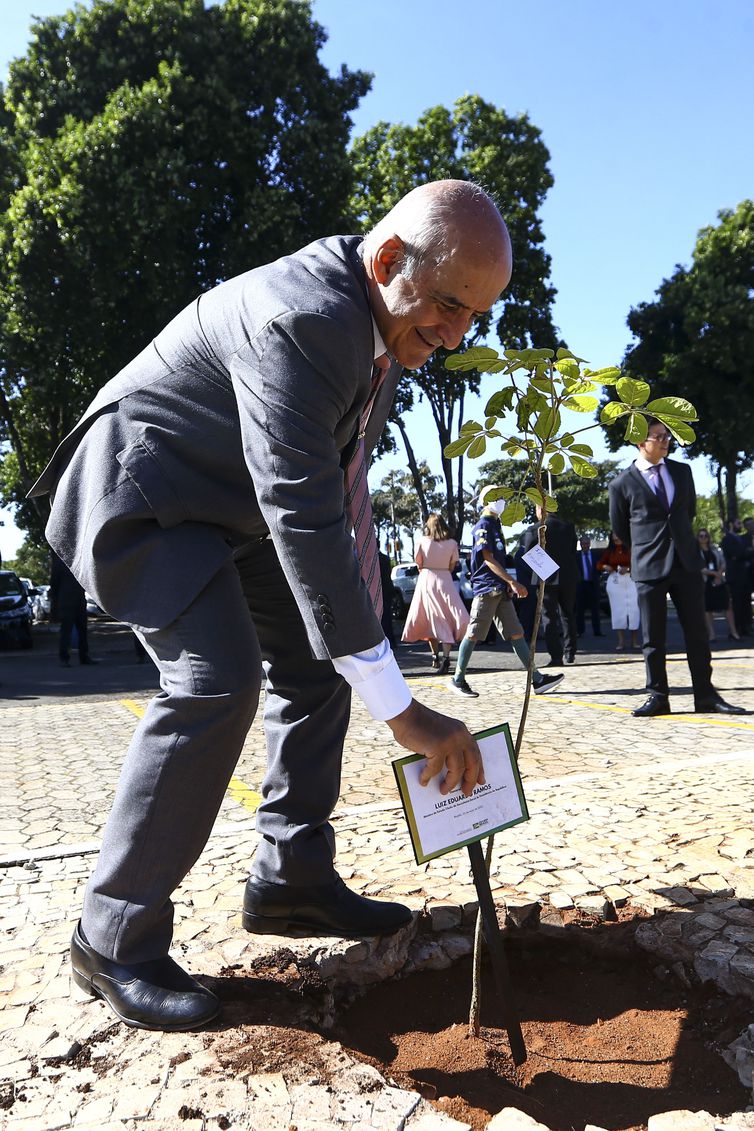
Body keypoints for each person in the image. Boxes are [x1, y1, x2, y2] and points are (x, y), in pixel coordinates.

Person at [29, 180, 512, 1032]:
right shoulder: (306, 319)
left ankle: (291, 878)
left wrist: (365, 646)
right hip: (146, 493)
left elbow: (346, 503)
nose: (453, 334)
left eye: (472, 317)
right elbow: (303, 511)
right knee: (215, 680)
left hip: (230, 511)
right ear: (390, 259)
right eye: (445, 305)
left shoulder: (381, 337)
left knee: (322, 659)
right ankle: (111, 937)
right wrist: (403, 710)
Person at [609, 418, 744, 718]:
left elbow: (689, 512)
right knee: (653, 638)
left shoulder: (682, 472)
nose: (665, 440)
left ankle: (706, 696)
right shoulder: (621, 484)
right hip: (649, 565)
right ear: (640, 443)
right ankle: (658, 696)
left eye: (666, 436)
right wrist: (646, 549)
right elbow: (621, 526)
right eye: (658, 437)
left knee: (697, 633)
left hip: (686, 562)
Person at [450, 486, 564, 698]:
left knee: (516, 632)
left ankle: (537, 679)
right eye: (497, 497)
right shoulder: (483, 526)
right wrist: (512, 582)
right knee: (474, 632)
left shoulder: (495, 525)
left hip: (499, 589)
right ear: (486, 501)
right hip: (487, 588)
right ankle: (458, 679)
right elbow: (487, 558)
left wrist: (507, 584)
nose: (502, 501)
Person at [401, 513, 469, 674]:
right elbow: (453, 566)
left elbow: (419, 563)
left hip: (426, 580)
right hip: (445, 579)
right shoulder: (452, 543)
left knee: (429, 618)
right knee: (447, 617)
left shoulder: (422, 542)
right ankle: (446, 657)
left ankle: (435, 656)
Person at [518, 507, 579, 666]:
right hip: (568, 577)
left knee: (548, 617)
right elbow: (573, 551)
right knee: (568, 614)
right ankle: (570, 652)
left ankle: (556, 656)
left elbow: (527, 553)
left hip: (546, 577)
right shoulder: (568, 527)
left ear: (539, 510)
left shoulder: (534, 529)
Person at [49, 551, 96, 667]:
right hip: (68, 602)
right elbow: (54, 585)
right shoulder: (62, 563)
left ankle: (82, 656)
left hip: (76, 601)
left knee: (80, 631)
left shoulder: (76, 563)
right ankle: (66, 657)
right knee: (67, 631)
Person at [596, 533, 640, 651]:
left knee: (633, 610)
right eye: (614, 537)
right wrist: (606, 566)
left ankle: (634, 641)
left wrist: (629, 568)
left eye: (618, 536)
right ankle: (621, 641)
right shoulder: (609, 551)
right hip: (615, 582)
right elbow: (599, 564)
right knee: (618, 611)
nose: (616, 538)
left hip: (631, 580)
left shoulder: (631, 549)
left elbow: (638, 563)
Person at [697, 528, 737, 643]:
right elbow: (700, 568)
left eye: (705, 536)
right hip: (706, 582)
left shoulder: (715, 549)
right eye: (701, 536)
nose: (703, 538)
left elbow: (723, 562)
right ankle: (712, 635)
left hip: (720, 581)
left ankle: (734, 633)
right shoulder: (697, 552)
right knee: (707, 609)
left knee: (727, 606)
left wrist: (720, 573)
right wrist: (715, 574)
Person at [721, 518, 753, 638]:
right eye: (738, 523)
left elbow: (744, 553)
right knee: (737, 603)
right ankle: (737, 628)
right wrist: (746, 552)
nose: (741, 526)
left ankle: (747, 626)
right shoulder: (727, 539)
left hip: (746, 576)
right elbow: (737, 554)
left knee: (746, 602)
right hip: (735, 577)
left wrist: (745, 552)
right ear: (731, 525)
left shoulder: (742, 538)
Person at [575, 534, 603, 638]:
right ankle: (580, 631)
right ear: (580, 544)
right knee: (580, 610)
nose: (585, 545)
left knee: (595, 609)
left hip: (593, 585)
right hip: (581, 585)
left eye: (587, 543)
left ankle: (597, 631)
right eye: (583, 544)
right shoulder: (576, 556)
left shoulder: (595, 555)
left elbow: (600, 567)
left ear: (590, 544)